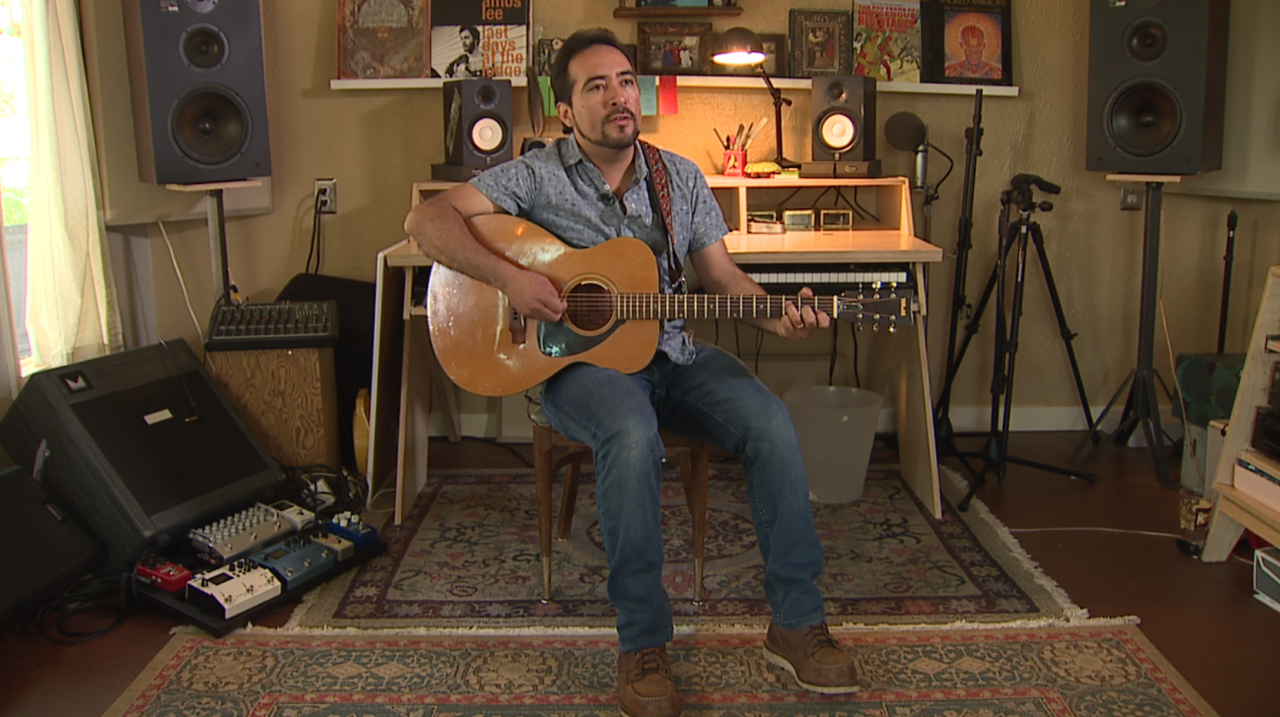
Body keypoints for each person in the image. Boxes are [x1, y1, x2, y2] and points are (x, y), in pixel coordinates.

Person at [404, 27, 861, 717]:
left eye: (625, 81)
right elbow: (427, 219)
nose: (619, 96)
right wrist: (512, 281)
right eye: (597, 86)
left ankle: (795, 623)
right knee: (627, 426)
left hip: (673, 354)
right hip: (573, 368)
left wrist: (775, 316)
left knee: (768, 419)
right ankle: (643, 644)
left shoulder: (677, 177)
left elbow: (722, 278)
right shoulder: (535, 173)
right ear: (565, 111)